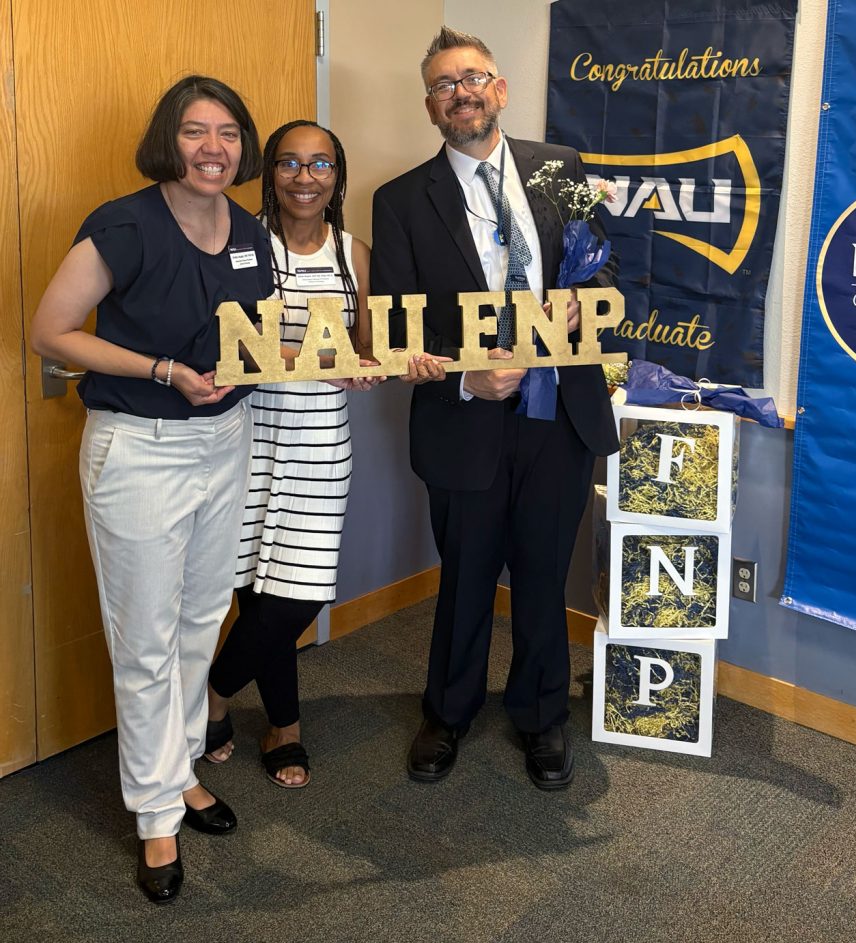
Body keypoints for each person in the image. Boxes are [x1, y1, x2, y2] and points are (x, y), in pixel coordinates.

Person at [30, 76, 271, 904]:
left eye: (229, 132)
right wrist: (163, 369)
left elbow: (259, 342)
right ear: (168, 140)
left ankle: (176, 775)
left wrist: (336, 366)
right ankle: (155, 816)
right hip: (141, 450)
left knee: (201, 621)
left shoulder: (250, 232)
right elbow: (49, 330)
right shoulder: (123, 224)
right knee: (144, 642)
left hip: (225, 442)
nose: (214, 147)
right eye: (197, 131)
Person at [370, 27, 620, 790]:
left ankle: (543, 716)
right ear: (431, 107)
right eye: (446, 85)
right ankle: (447, 711)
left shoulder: (561, 171)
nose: (463, 93)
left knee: (543, 575)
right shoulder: (402, 199)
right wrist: (463, 380)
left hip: (558, 419)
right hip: (464, 420)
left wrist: (586, 308)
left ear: (500, 90)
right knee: (468, 574)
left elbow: (610, 283)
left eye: (473, 78)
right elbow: (396, 324)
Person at [203, 121, 378, 789]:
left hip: (319, 440)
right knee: (254, 592)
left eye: (321, 164)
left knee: (295, 596)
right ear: (269, 171)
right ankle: (285, 724)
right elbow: (217, 339)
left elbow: (369, 348)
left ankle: (212, 695)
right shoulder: (237, 242)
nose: (305, 177)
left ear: (338, 175)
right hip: (241, 435)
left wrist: (377, 367)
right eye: (289, 163)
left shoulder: (353, 253)